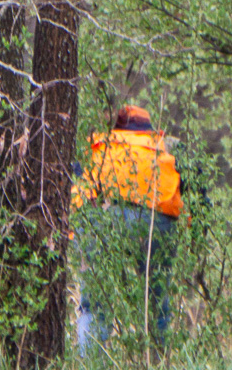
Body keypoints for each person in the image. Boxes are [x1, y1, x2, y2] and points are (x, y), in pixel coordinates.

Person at [70, 105, 185, 352]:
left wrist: (76, 237)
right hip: (158, 223)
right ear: (149, 127)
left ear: (118, 127)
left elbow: (78, 197)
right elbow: (191, 197)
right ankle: (157, 365)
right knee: (156, 300)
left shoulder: (98, 147)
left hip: (104, 219)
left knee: (95, 305)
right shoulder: (166, 148)